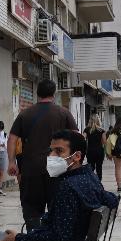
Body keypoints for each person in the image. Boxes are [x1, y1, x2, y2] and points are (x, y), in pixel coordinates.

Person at [7, 79, 78, 228]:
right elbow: (76, 138)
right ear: (54, 93)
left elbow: (12, 139)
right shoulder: (63, 113)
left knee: (32, 210)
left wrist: (12, 162)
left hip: (31, 168)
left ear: (37, 93)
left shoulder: (25, 114)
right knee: (58, 209)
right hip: (57, 169)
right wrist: (72, 162)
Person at [85, 115, 106, 180]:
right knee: (99, 168)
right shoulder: (102, 130)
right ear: (98, 121)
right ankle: (99, 182)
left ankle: (91, 182)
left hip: (90, 151)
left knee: (91, 168)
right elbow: (104, 142)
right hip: (99, 151)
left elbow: (83, 139)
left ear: (90, 121)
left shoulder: (86, 130)